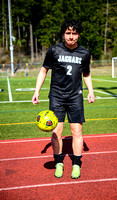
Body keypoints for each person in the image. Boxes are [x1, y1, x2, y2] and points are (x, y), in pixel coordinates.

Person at [32, 19, 95, 179]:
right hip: (57, 96)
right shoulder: (54, 51)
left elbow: (86, 74)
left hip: (75, 97)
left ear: (79, 35)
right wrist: (36, 91)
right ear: (63, 34)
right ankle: (59, 162)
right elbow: (43, 71)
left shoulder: (85, 53)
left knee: (77, 131)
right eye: (68, 33)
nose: (71, 37)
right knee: (56, 132)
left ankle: (76, 164)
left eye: (74, 33)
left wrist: (91, 91)